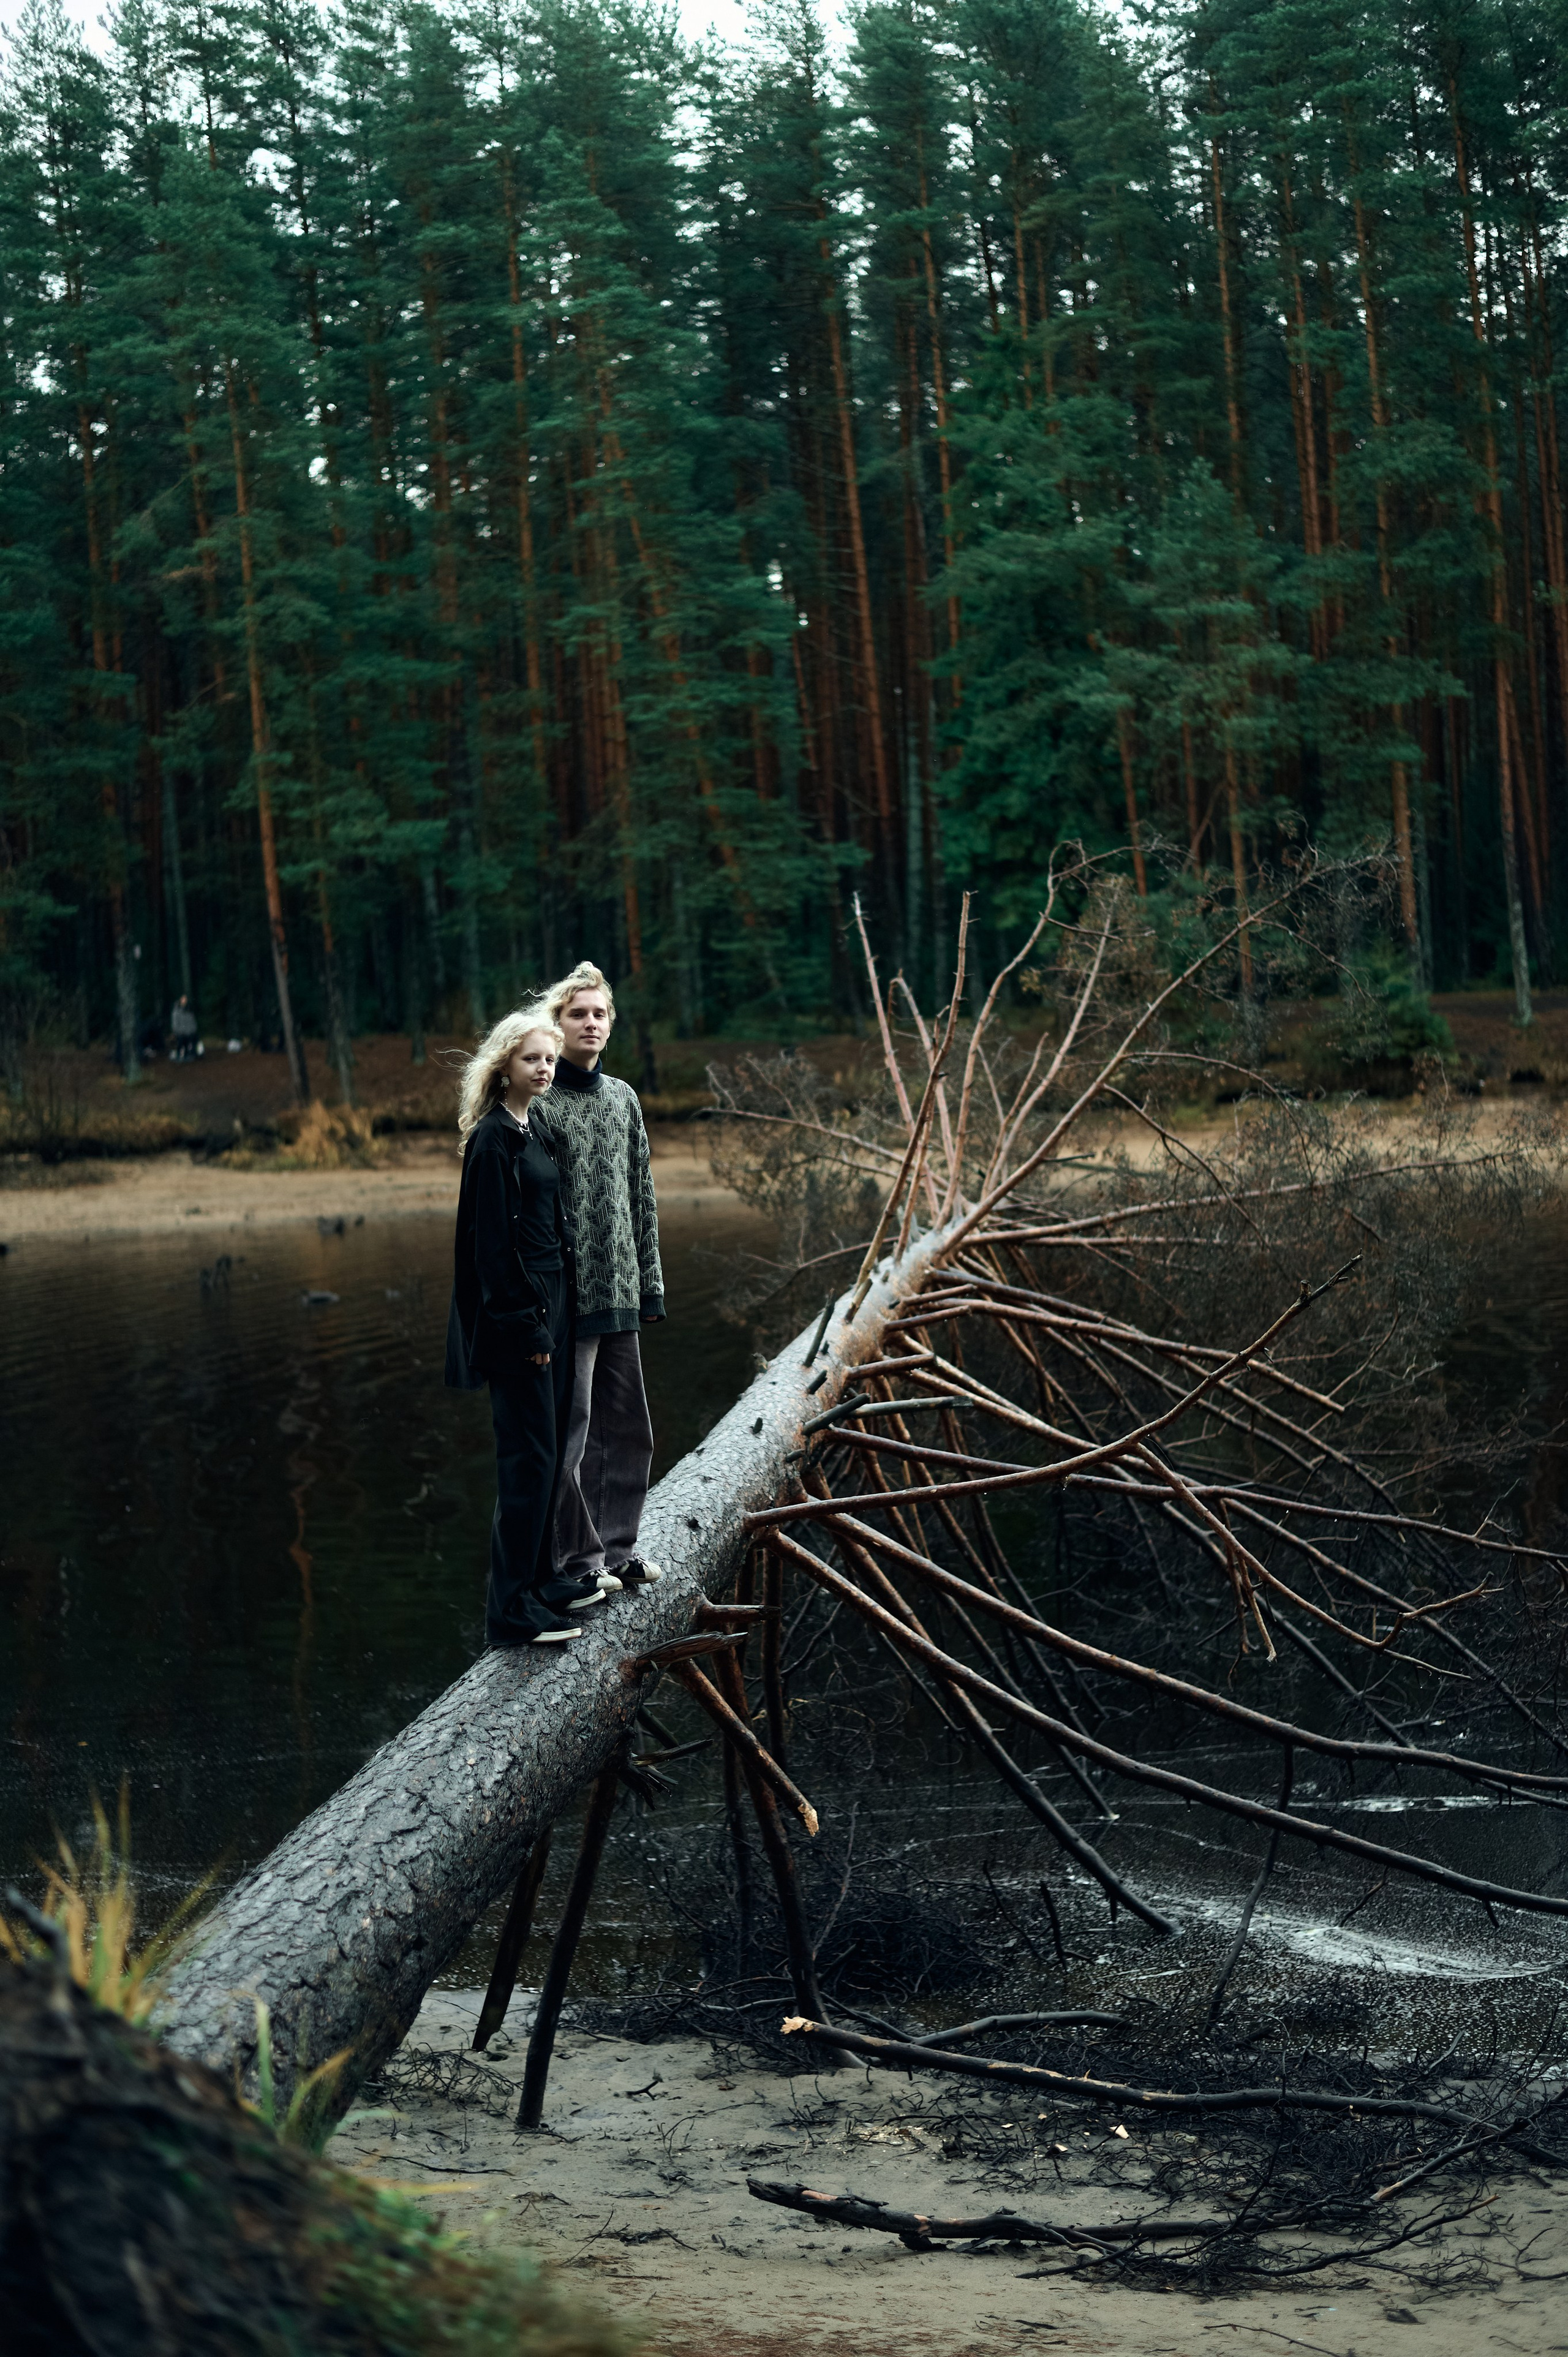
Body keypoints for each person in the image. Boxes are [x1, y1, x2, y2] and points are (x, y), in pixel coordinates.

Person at [445, 1006, 609, 1649]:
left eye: (548, 1058)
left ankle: (542, 1582)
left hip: (556, 1303)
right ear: (504, 1065)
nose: (544, 1068)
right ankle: (510, 1610)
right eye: (531, 1059)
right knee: (528, 1460)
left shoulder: (533, 1125)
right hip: (521, 1317)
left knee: (550, 1455)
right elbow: (490, 1248)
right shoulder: (492, 1139)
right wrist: (525, 1327)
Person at [532, 961, 665, 1593]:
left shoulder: (624, 1098)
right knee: (573, 1437)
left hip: (621, 1293)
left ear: (611, 1025)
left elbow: (642, 1194)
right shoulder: (541, 1103)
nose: (590, 1022)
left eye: (599, 1013)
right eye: (577, 1013)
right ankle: (576, 1563)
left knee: (630, 1428)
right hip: (569, 1300)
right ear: (557, 1026)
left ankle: (618, 1550)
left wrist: (651, 1285)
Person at [170, 995, 199, 1062]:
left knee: (186, 1045)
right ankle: (178, 1057)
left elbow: (192, 1021)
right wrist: (176, 1031)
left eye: (185, 999)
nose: (184, 1001)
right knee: (179, 1045)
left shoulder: (189, 1010)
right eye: (183, 999)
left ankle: (186, 1057)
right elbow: (175, 1022)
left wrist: (193, 1030)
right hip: (180, 1032)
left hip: (188, 1032)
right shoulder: (176, 1011)